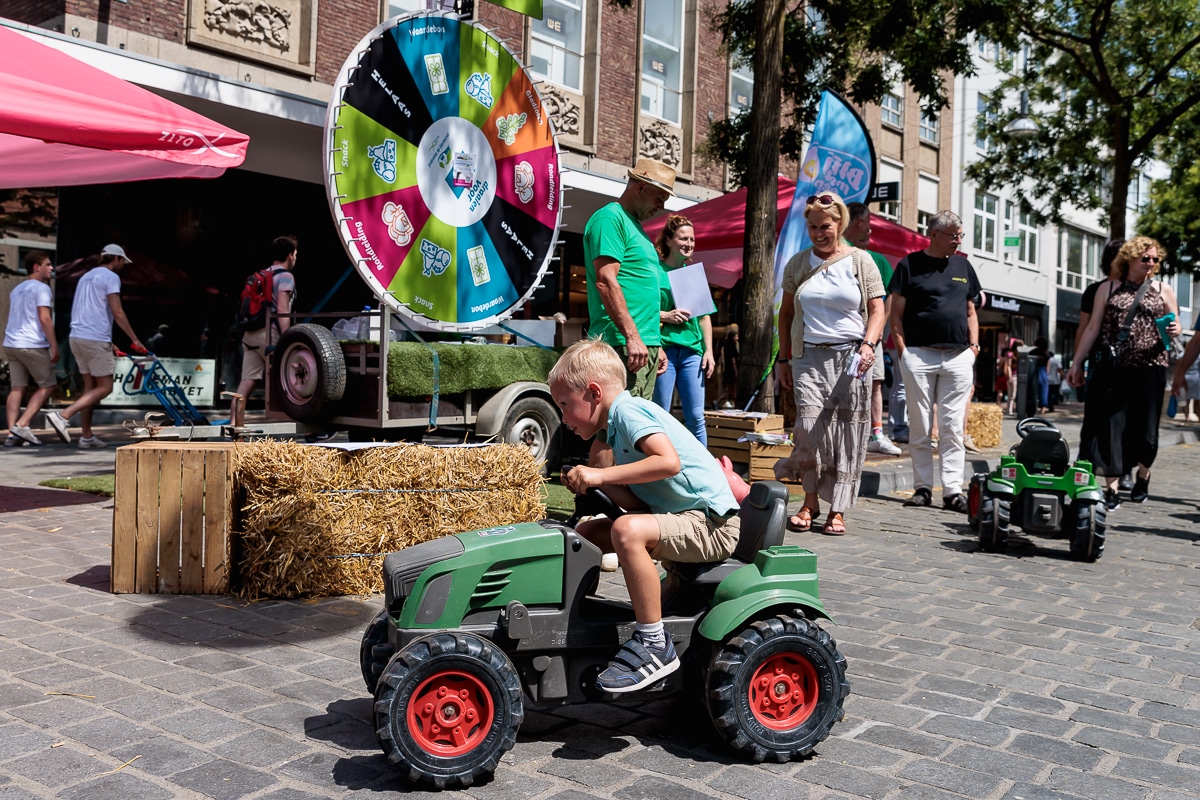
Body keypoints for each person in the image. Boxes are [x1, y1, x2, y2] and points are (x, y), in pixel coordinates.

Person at [549, 339, 740, 692]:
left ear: (593, 393)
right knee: (589, 533)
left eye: (563, 404)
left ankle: (654, 644)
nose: (562, 417)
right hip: (682, 518)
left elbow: (668, 462)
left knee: (627, 531)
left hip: (712, 524)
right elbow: (637, 502)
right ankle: (577, 619)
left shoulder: (628, 411)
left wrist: (600, 476)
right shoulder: (616, 428)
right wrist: (593, 486)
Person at [775, 193, 886, 535]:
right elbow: (787, 313)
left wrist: (868, 346)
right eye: (812, 227)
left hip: (852, 356)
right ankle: (809, 501)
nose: (818, 233)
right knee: (809, 428)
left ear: (840, 224)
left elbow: (878, 310)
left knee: (847, 433)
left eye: (825, 226)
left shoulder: (861, 261)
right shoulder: (797, 263)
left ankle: (837, 509)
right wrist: (782, 357)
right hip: (808, 354)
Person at [1067, 236, 1181, 509]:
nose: (1151, 263)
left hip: (1150, 369)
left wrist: (1175, 328)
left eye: (1155, 259)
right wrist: (1076, 362)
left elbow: (1175, 322)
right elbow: (1093, 328)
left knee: (1147, 435)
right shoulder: (1107, 288)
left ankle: (1143, 474)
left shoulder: (1163, 289)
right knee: (1112, 429)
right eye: (1145, 259)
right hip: (1113, 368)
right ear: (1129, 259)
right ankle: (1112, 489)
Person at [889, 211, 981, 512]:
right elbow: (896, 314)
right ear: (935, 234)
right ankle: (923, 487)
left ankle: (953, 490)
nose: (958, 240)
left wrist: (974, 347)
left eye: (960, 235)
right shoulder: (909, 265)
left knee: (953, 426)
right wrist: (903, 350)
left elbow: (970, 310)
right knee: (921, 424)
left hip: (957, 356)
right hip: (919, 354)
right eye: (953, 235)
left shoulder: (963, 265)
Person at [583, 157, 674, 400]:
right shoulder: (611, 218)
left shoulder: (636, 227)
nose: (661, 207)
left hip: (640, 345)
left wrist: (654, 342)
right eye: (659, 198)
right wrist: (633, 337)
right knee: (618, 429)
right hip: (621, 344)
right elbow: (605, 280)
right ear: (640, 188)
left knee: (628, 430)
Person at [45, 245, 144, 448]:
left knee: (90, 388)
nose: (123, 265)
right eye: (122, 261)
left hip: (78, 337)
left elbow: (90, 311)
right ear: (115, 258)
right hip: (94, 338)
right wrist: (135, 339)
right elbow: (117, 312)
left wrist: (109, 341)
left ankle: (86, 436)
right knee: (106, 387)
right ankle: (63, 415)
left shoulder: (86, 277)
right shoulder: (111, 277)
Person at [845, 202, 902, 456]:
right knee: (843, 383)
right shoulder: (835, 255)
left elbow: (889, 295)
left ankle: (876, 432)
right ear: (857, 222)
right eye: (868, 222)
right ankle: (849, 432)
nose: (870, 229)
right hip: (843, 336)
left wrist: (880, 328)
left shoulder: (877, 260)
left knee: (875, 382)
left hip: (871, 337)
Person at [652, 214, 714, 444]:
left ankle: (703, 474)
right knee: (661, 414)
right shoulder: (654, 271)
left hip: (692, 354)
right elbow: (641, 309)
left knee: (696, 418)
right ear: (668, 240)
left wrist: (708, 351)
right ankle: (659, 468)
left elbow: (704, 317)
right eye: (683, 239)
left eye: (692, 239)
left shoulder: (693, 274)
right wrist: (665, 315)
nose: (689, 244)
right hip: (663, 352)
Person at [4, 251, 59, 446]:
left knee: (17, 388)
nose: (51, 268)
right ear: (37, 267)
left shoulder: (17, 289)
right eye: (48, 264)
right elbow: (44, 317)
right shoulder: (42, 288)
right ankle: (22, 424)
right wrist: (54, 344)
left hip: (11, 343)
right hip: (32, 344)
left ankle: (12, 434)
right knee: (48, 385)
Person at [236, 235, 297, 401]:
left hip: (251, 335)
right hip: (270, 335)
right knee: (289, 378)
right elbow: (282, 309)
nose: (295, 258)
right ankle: (289, 422)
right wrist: (287, 338)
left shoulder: (262, 274)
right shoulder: (286, 276)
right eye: (296, 254)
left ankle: (235, 422)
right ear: (290, 255)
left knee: (247, 381)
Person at [718, 324, 739, 409]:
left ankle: (731, 403)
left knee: (730, 389)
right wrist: (736, 371)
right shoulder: (731, 347)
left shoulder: (726, 346)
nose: (737, 338)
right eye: (736, 336)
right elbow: (733, 360)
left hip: (727, 369)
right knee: (731, 389)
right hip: (731, 370)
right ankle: (718, 400)